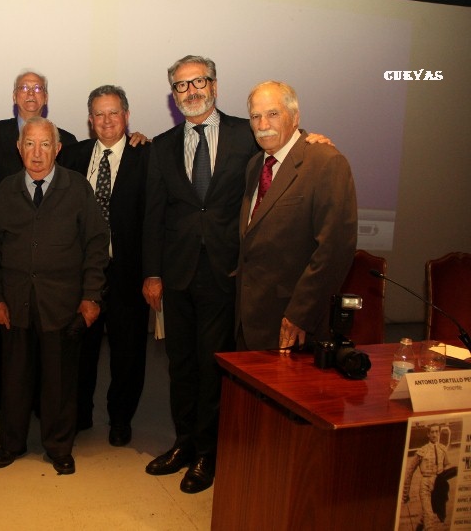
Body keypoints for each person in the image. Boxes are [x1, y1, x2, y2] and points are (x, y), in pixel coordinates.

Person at [142, 55, 260, 494]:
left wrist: (312, 140)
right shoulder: (162, 146)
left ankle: (208, 453)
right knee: (181, 365)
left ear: (214, 84)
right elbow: (154, 215)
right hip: (177, 274)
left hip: (224, 270)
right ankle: (184, 443)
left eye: (198, 82)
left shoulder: (245, 134)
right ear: (173, 94)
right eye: (181, 85)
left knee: (213, 365)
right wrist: (152, 273)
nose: (190, 91)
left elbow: (283, 150)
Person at [0, 117, 109, 475]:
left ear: (58, 149)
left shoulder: (77, 188)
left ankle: (59, 447)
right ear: (19, 149)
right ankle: (11, 443)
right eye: (30, 144)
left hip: (62, 304)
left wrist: (91, 296)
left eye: (45, 144)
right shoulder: (5, 190)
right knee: (14, 380)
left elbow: (97, 244)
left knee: (60, 382)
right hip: (14, 304)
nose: (37, 153)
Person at [0, 70, 77, 422]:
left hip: (45, 258)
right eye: (24, 88)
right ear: (14, 95)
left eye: (38, 88)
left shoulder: (67, 139)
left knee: (41, 337)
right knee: (1, 333)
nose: (31, 94)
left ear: (46, 97)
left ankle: (35, 402)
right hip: (3, 254)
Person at [57, 85, 150, 446]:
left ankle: (120, 419)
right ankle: (79, 414)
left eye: (114, 113)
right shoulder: (73, 156)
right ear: (90, 119)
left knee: (128, 353)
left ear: (126, 116)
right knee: (80, 349)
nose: (107, 120)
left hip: (127, 273)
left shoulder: (147, 155)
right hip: (81, 274)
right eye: (99, 114)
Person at [236, 80, 357, 351]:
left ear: (295, 116)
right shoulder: (255, 165)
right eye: (255, 116)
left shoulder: (326, 162)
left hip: (293, 326)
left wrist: (301, 314)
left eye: (273, 114)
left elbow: (334, 249)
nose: (262, 124)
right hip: (250, 321)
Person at [402, 424, 452, 531]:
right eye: (432, 432)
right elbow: (410, 472)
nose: (434, 434)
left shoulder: (443, 449)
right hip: (425, 485)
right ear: (428, 434)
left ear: (439, 433)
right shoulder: (422, 451)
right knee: (429, 516)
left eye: (436, 432)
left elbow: (447, 466)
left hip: (438, 485)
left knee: (427, 515)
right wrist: (405, 494)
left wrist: (443, 482)